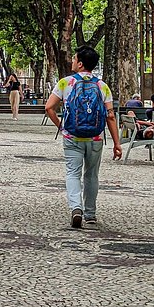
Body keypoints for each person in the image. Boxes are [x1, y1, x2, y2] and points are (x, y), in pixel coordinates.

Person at [44, 46, 121, 228]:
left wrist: (62, 127)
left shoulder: (65, 83)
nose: (71, 61)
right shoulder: (102, 86)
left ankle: (76, 208)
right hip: (95, 138)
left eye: (73, 58)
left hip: (72, 136)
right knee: (92, 175)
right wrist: (117, 143)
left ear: (79, 64)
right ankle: (91, 213)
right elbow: (110, 116)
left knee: (72, 173)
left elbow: (49, 108)